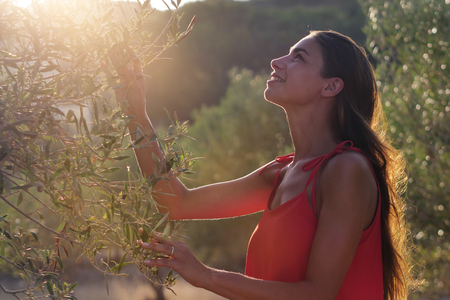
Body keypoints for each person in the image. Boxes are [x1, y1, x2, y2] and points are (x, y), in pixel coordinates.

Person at [109, 30, 413, 300]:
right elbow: (175, 202)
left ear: (331, 87)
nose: (277, 62)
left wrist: (206, 276)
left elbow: (318, 294)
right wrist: (135, 111)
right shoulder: (280, 173)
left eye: (299, 58)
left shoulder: (347, 169)